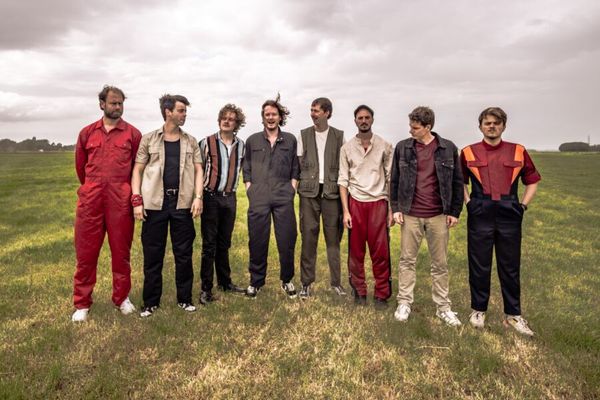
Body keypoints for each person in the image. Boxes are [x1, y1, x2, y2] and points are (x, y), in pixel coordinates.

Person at [461, 107, 541, 336]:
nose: (492, 126)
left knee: (510, 265)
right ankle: (478, 311)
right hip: (480, 211)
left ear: (504, 126)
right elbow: (461, 182)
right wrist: (469, 203)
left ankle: (513, 315)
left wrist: (522, 206)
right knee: (479, 264)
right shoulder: (468, 152)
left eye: (496, 123)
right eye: (487, 123)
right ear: (480, 126)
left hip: (509, 212)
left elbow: (532, 180)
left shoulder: (518, 151)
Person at [72, 85, 141, 322]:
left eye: (120, 103)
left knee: (121, 252)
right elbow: (80, 167)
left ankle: (121, 298)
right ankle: (82, 303)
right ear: (102, 104)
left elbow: (137, 169)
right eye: (113, 103)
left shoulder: (133, 134)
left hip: (120, 202)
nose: (117, 107)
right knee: (86, 253)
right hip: (91, 201)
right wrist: (92, 188)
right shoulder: (87, 133)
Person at [390, 106, 464, 326]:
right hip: (410, 214)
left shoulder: (448, 149)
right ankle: (404, 303)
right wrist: (396, 208)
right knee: (406, 261)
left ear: (427, 127)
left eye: (415, 127)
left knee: (440, 264)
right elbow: (394, 180)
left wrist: (454, 212)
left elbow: (457, 182)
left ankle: (443, 308)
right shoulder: (403, 148)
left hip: (438, 215)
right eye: (410, 126)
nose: (410, 131)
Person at [131, 94, 203, 317]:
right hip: (154, 205)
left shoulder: (191, 141)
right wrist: (137, 200)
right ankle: (150, 303)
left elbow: (199, 170)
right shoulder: (149, 139)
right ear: (168, 112)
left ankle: (185, 299)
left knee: (184, 255)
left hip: (182, 204)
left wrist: (198, 197)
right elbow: (137, 170)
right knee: (153, 256)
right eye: (181, 110)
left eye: (185, 111)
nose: (184, 114)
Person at [243, 95, 300, 299]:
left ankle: (287, 280)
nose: (270, 117)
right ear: (263, 117)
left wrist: (292, 188)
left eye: (274, 114)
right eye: (267, 114)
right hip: (259, 196)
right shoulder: (252, 140)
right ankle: (256, 282)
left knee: (287, 239)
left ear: (280, 117)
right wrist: (250, 188)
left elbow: (295, 167)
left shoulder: (290, 140)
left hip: (283, 195)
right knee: (257, 240)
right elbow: (247, 166)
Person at [338, 105, 393, 307]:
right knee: (356, 251)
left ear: (372, 120)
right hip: (356, 203)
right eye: (360, 118)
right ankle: (359, 291)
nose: (363, 121)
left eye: (367, 117)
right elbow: (343, 181)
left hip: (378, 202)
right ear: (355, 121)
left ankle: (382, 293)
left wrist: (391, 210)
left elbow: (390, 178)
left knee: (380, 252)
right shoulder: (346, 148)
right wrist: (346, 211)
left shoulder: (385, 145)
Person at [296, 97, 345, 299]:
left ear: (327, 113)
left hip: (332, 193)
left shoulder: (339, 136)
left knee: (333, 239)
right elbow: (299, 163)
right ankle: (306, 284)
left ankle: (336, 283)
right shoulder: (303, 135)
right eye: (311, 110)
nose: (312, 114)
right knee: (308, 237)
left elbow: (344, 165)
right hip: (309, 193)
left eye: (316, 111)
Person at [198, 104, 247, 305]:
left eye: (231, 119)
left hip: (230, 198)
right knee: (209, 244)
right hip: (210, 196)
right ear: (219, 120)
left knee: (224, 243)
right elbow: (198, 170)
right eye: (224, 118)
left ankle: (225, 283)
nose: (227, 121)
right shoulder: (206, 142)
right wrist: (198, 196)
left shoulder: (241, 145)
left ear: (237, 124)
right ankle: (205, 289)